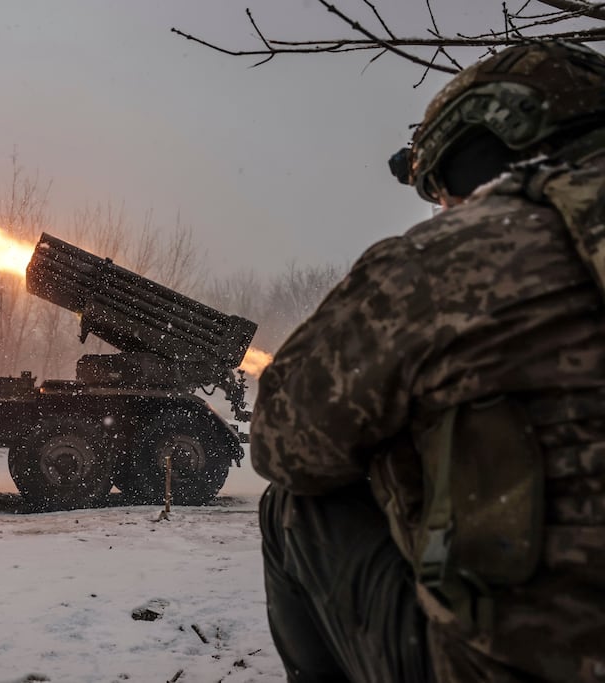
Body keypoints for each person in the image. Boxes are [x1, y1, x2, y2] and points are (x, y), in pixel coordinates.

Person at [251, 40, 605, 683]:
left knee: (294, 505)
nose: (442, 209)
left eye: (440, 190)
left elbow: (284, 441)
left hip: (515, 667)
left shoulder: (450, 261)